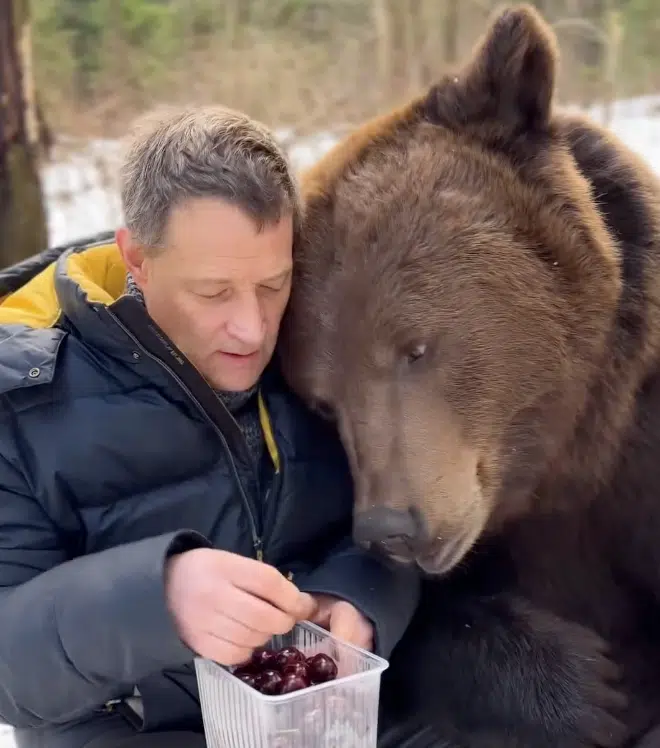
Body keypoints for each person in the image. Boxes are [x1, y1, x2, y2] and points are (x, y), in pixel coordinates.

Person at [0, 106, 420, 748]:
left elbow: (395, 526)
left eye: (273, 284)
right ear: (136, 257)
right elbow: (9, 676)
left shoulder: (321, 341)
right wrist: (156, 600)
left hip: (327, 720)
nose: (252, 329)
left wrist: (359, 599)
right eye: (214, 292)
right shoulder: (21, 394)